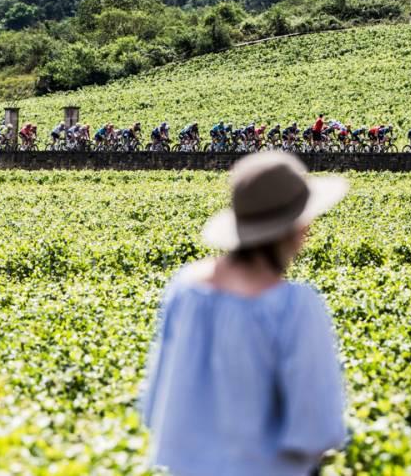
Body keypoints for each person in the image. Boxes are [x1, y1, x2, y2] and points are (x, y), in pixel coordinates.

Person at [142, 152, 349, 476]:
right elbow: (317, 430)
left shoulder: (185, 289)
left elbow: (155, 405)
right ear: (293, 229)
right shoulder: (294, 307)